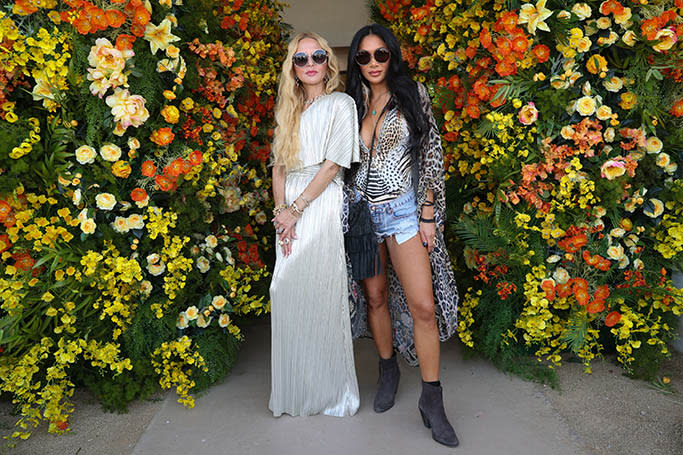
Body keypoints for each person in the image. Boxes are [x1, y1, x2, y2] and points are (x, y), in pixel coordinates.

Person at [345, 24, 460, 446]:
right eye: (364, 56)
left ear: (392, 56)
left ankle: (432, 399)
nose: (373, 63)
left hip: (403, 213)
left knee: (423, 306)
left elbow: (430, 152)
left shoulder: (413, 95)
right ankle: (388, 368)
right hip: (362, 215)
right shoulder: (350, 104)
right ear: (356, 62)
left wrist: (428, 212)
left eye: (380, 55)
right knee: (375, 298)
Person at [269, 32, 360, 417]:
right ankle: (296, 390)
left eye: (318, 57)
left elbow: (334, 163)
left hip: (319, 201)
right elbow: (277, 168)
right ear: (293, 67)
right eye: (301, 59)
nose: (310, 65)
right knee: (287, 292)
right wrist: (280, 215)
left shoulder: (342, 103)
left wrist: (298, 208)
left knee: (320, 293)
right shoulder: (287, 111)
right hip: (288, 207)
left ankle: (329, 392)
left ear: (328, 63)